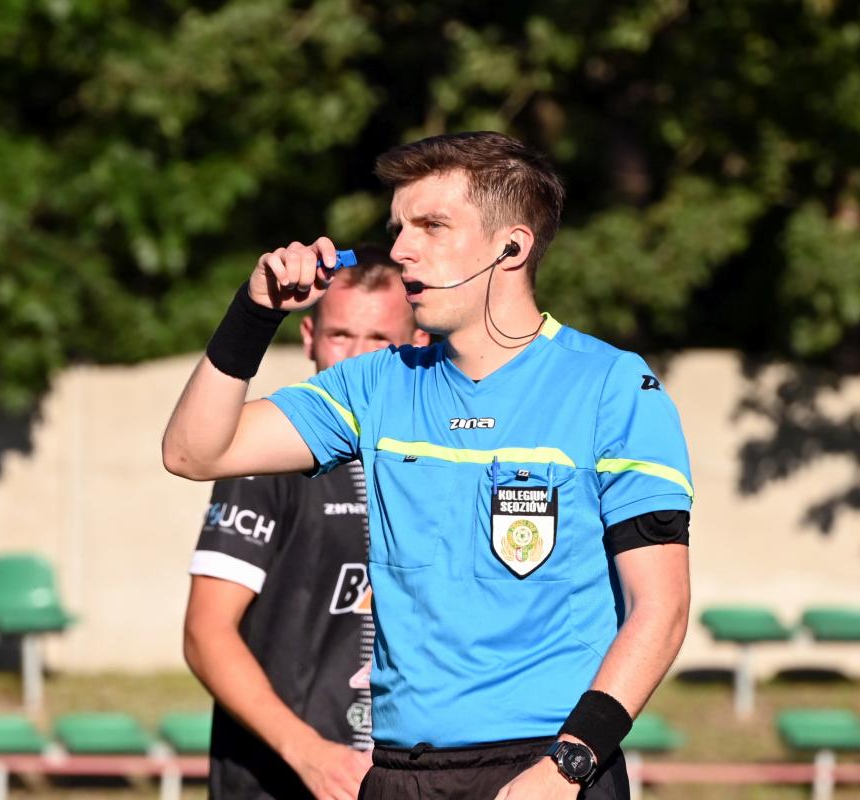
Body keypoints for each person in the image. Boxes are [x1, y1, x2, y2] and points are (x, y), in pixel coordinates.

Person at [164, 131, 694, 800]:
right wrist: (254, 310)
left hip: (550, 769)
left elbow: (662, 607)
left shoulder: (613, 387)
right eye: (398, 228)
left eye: (432, 226)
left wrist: (568, 765)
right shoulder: (375, 384)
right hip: (398, 773)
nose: (400, 250)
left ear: (512, 247)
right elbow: (194, 451)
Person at [182, 247, 429, 800]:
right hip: (277, 779)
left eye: (379, 339)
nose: (356, 358)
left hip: (401, 777)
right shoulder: (266, 457)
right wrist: (309, 752)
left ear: (417, 344)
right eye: (340, 335)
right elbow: (205, 633)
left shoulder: (441, 457)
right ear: (309, 337)